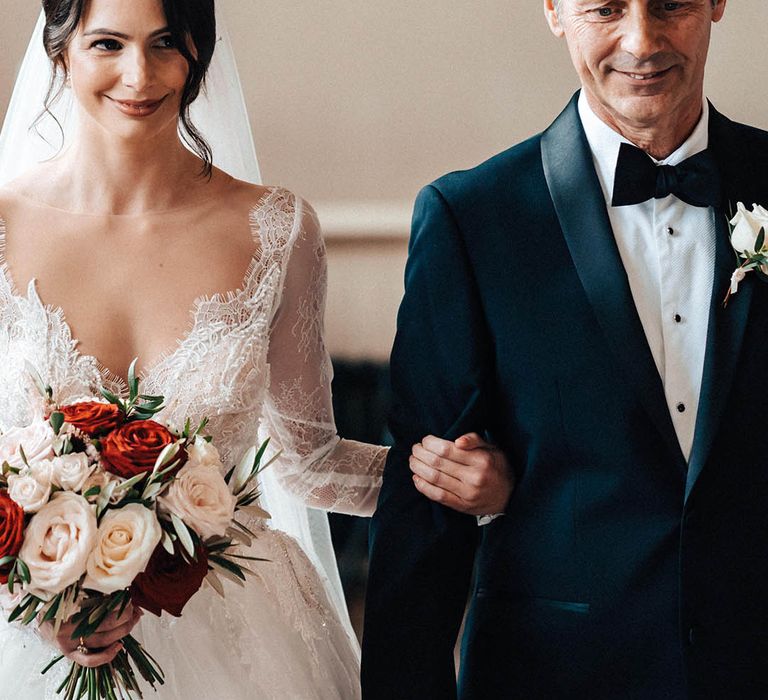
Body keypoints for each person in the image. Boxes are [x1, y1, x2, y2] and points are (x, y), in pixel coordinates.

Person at [0, 0, 514, 697]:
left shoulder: (277, 228)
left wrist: (453, 482)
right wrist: (36, 593)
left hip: (244, 636)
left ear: (197, 54)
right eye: (107, 44)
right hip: (32, 641)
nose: (139, 74)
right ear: (60, 49)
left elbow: (311, 464)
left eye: (165, 44)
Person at [363, 1, 768, 697]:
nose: (642, 41)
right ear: (554, 9)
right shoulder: (472, 218)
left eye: (670, 4)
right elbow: (425, 517)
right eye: (606, 8)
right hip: (554, 674)